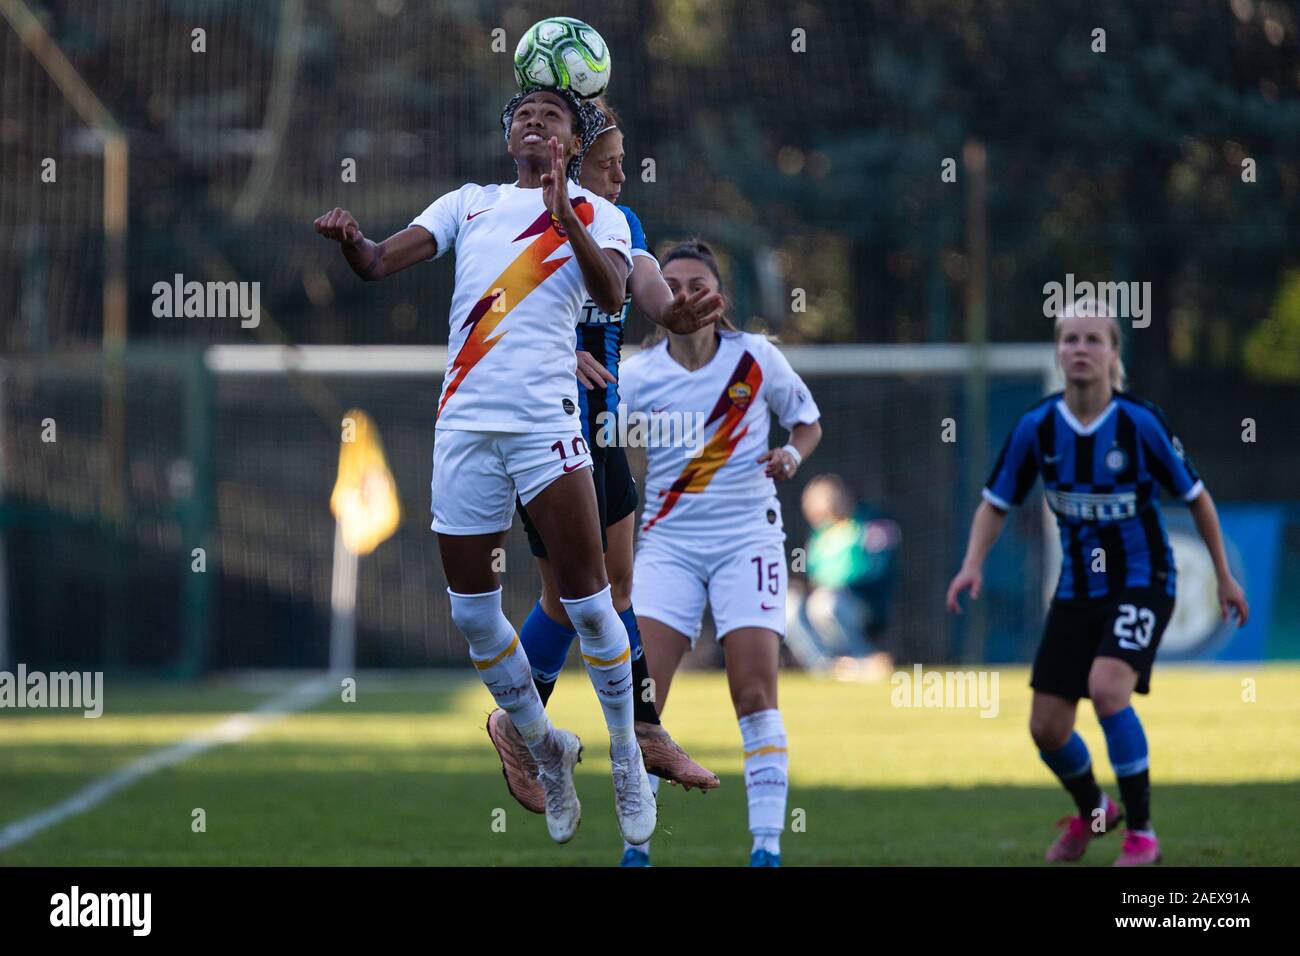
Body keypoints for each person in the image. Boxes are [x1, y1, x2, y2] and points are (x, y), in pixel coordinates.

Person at [313, 86, 659, 847]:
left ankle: (627, 760)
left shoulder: (599, 212)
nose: (534, 121)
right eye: (523, 115)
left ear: (572, 141)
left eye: (553, 116)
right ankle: (546, 747)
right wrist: (349, 240)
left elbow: (607, 293)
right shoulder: (466, 203)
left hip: (546, 425)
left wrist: (565, 213)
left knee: (591, 601)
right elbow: (376, 263)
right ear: (508, 136)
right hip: (464, 425)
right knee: (472, 612)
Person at [946, 299, 1249, 866]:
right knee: (1047, 727)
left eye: (1092, 339)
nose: (1079, 349)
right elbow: (995, 503)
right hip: (1077, 590)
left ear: (1113, 354)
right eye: (1068, 339)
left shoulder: (1140, 423)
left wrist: (1225, 578)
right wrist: (971, 564)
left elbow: (1197, 498)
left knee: (1109, 690)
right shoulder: (1036, 427)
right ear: (1058, 352)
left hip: (1143, 580)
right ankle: (1095, 813)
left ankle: (1143, 836)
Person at [484, 99, 722, 818]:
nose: (622, 174)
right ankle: (628, 729)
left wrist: (670, 314)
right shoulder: (510, 221)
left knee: (600, 590)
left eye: (623, 164)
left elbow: (639, 285)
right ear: (570, 157)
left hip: (602, 430)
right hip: (545, 432)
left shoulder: (619, 222)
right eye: (610, 162)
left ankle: (528, 724)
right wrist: (565, 352)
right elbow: (494, 319)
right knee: (588, 592)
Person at [618, 240, 823, 866]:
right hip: (669, 545)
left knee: (756, 693)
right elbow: (607, 452)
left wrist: (792, 454)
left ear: (718, 297)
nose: (681, 294)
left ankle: (765, 847)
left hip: (748, 541)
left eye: (695, 283)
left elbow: (807, 422)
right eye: (669, 283)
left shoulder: (757, 358)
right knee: (642, 700)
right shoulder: (636, 374)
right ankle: (636, 850)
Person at [784, 474, 898, 681]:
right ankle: (824, 667)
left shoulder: (869, 523)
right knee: (788, 603)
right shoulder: (819, 534)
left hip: (860, 602)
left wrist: (838, 585)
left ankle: (862, 659)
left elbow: (877, 569)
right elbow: (811, 573)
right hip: (822, 598)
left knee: (825, 602)